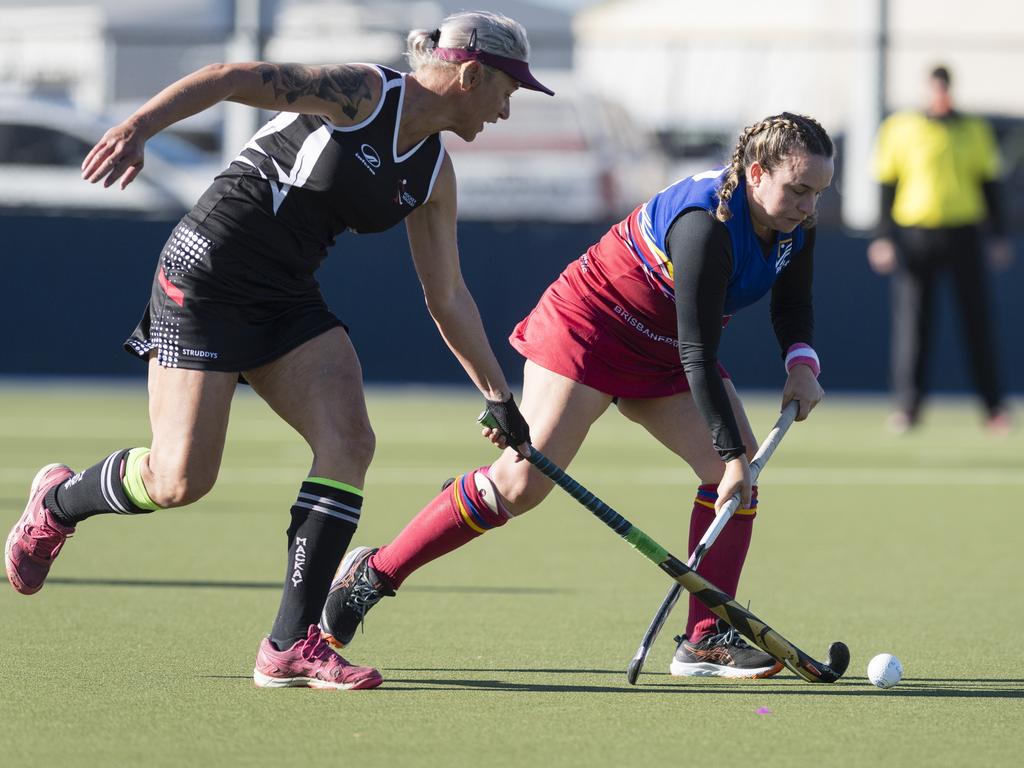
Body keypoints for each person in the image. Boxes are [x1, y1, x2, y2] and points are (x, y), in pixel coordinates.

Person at [4, 11, 551, 690]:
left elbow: (448, 296)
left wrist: (500, 396)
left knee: (349, 440)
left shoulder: (434, 173)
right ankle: (58, 503)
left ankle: (291, 645)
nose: (507, 108)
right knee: (179, 481)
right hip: (208, 273)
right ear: (471, 75)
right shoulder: (361, 95)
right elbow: (233, 78)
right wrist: (138, 127)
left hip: (285, 296)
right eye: (509, 89)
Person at [320, 113, 834, 679]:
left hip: (662, 346)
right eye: (799, 190)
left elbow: (793, 302)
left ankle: (705, 637)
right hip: (591, 328)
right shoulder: (705, 225)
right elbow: (698, 354)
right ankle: (374, 572)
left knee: (732, 481)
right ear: (756, 173)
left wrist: (800, 363)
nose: (808, 206)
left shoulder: (792, 222)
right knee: (519, 486)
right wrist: (736, 456)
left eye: (817, 193)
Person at [867, 65, 1013, 434]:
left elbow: (989, 183)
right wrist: (884, 236)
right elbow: (887, 183)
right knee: (914, 326)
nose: (939, 95)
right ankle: (908, 407)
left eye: (944, 88)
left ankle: (994, 408)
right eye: (934, 88)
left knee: (977, 323)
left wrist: (998, 235)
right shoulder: (900, 128)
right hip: (917, 235)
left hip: (964, 233)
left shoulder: (974, 129)